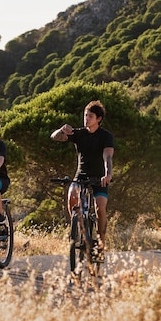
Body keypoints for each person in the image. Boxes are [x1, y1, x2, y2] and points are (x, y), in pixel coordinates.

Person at [50, 100, 114, 254]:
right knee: (72, 196)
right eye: (85, 115)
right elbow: (54, 137)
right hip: (81, 175)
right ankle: (76, 229)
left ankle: (101, 240)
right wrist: (61, 130)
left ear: (98, 119)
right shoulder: (79, 133)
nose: (86, 119)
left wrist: (107, 174)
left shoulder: (105, 136)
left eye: (90, 116)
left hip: (99, 177)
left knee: (100, 206)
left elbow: (108, 157)